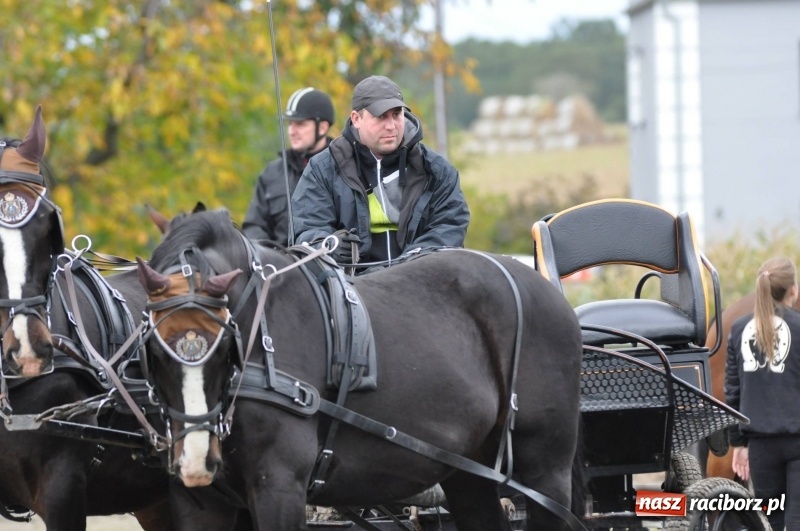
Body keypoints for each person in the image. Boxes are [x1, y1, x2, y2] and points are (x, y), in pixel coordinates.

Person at [291, 75, 469, 269]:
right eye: (381, 116)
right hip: (351, 287)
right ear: (356, 119)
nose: (391, 126)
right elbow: (307, 229)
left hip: (419, 281)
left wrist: (411, 264)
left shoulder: (437, 170)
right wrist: (330, 246)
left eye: (396, 114)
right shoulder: (322, 169)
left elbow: (450, 226)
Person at [725, 257, 800, 530]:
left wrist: (739, 444)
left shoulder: (738, 329)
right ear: (793, 289)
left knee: (773, 521)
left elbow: (732, 393)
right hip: (797, 440)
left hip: (759, 446)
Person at [242, 87, 336, 245]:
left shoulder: (343, 168)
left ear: (322, 128)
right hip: (278, 265)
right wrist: (268, 255)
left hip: (329, 262)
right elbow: (254, 225)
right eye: (290, 124)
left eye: (300, 124)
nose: (292, 131)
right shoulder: (272, 173)